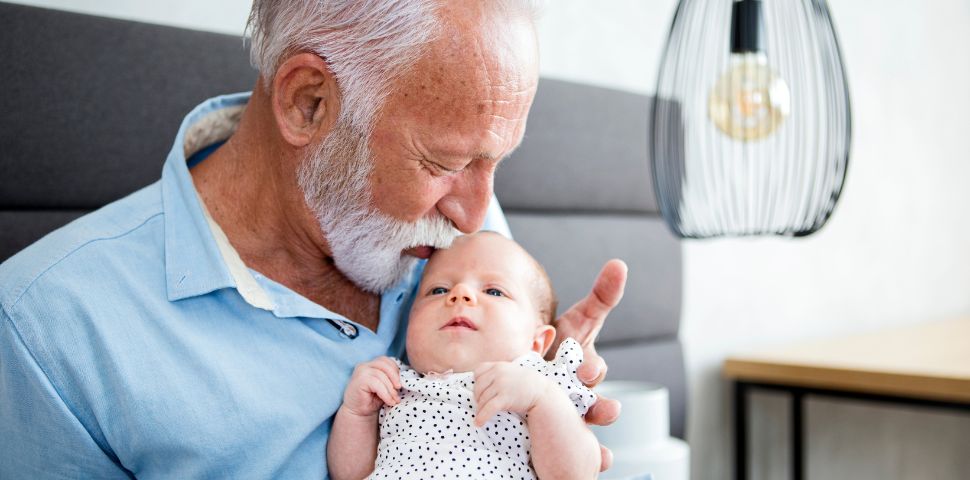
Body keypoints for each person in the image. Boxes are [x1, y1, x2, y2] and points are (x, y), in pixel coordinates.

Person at [0, 1, 626, 478]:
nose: (475, 217)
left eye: (496, 163)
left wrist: (542, 377)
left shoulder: (464, 228)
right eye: (442, 163)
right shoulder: (47, 329)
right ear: (307, 103)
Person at [329, 232, 602, 480]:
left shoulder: (537, 386)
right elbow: (351, 475)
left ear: (537, 342)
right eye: (439, 290)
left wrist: (543, 399)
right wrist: (357, 414)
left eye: (494, 291)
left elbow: (575, 475)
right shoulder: (394, 386)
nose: (460, 294)